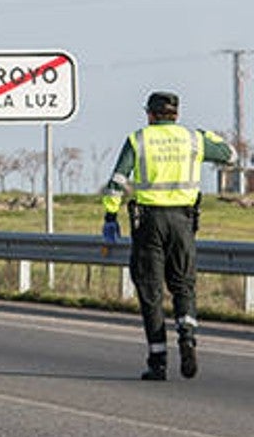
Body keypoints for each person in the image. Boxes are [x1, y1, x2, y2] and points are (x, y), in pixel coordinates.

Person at [101, 91, 237, 381]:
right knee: (183, 285)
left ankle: (158, 360)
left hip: (149, 222)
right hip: (184, 221)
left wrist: (110, 215)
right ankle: (187, 336)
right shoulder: (193, 139)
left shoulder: (138, 139)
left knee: (150, 290)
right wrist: (206, 135)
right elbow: (230, 155)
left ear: (149, 114)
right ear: (177, 114)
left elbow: (117, 182)